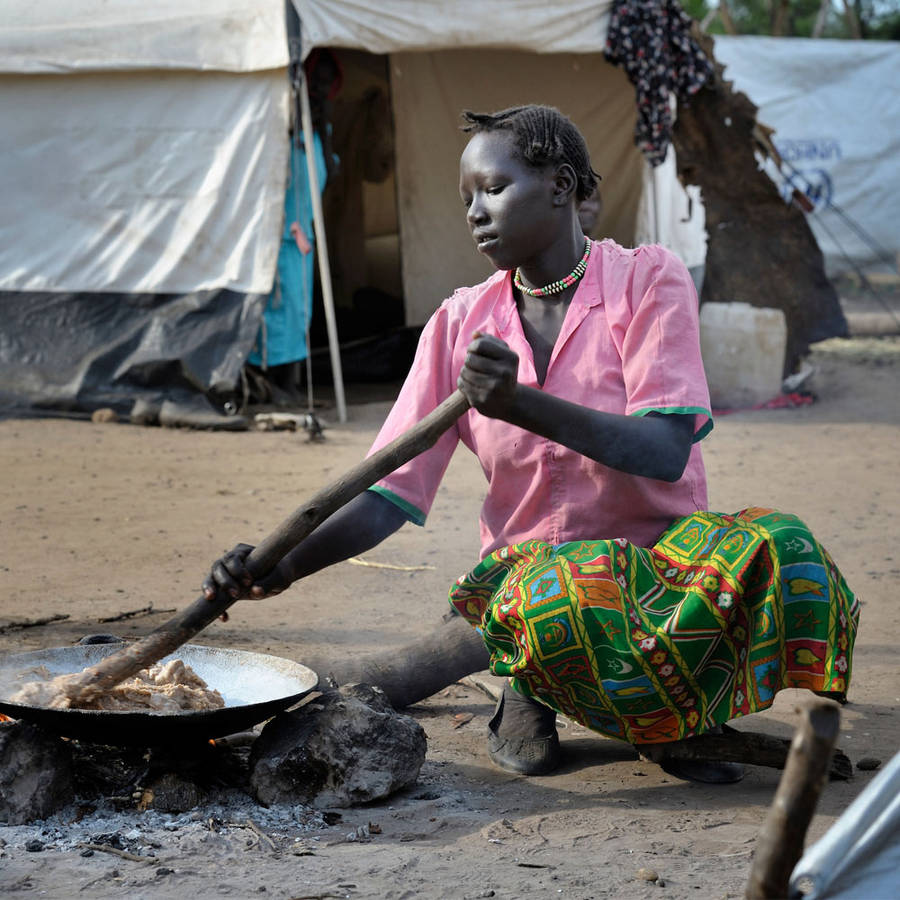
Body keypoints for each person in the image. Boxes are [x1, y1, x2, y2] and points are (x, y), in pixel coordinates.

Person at [204, 105, 858, 782]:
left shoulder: (646, 281)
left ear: (561, 185)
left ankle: (667, 708)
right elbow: (386, 494)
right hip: (531, 593)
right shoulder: (459, 323)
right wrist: (281, 565)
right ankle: (535, 686)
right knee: (555, 584)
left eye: (493, 188)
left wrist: (520, 404)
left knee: (784, 547)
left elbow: (665, 451)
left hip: (659, 581)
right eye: (466, 199)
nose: (475, 212)